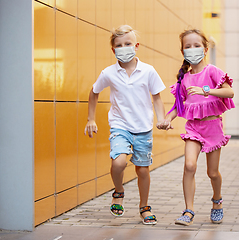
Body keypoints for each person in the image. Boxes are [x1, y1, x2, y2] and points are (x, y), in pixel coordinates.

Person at [84, 25, 166, 225]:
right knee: (118, 162)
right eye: (119, 45)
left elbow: (156, 97)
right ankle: (119, 191)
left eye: (128, 43)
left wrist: (161, 118)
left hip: (143, 128)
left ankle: (144, 207)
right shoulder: (109, 73)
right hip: (120, 125)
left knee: (142, 170)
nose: (124, 47)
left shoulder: (148, 71)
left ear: (136, 46)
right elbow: (94, 92)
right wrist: (91, 118)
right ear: (113, 50)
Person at [157, 29, 235, 225]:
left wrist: (206, 90)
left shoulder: (212, 71)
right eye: (188, 46)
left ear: (205, 49)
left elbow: (229, 92)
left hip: (213, 127)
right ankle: (188, 210)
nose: (192, 49)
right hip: (193, 128)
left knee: (212, 173)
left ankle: (217, 201)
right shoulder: (184, 78)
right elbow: (179, 106)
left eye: (197, 45)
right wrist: (168, 119)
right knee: (189, 166)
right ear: (183, 51)